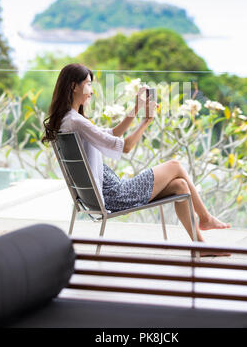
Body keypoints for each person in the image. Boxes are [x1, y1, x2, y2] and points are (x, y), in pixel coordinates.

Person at [42, 63, 231, 256]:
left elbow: (113, 134)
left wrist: (136, 108)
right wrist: (146, 121)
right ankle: (206, 217)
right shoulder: (77, 122)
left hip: (101, 195)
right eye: (88, 85)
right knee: (175, 165)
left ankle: (201, 247)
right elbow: (126, 146)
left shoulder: (69, 120)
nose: (91, 92)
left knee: (181, 185)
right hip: (115, 196)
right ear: (74, 86)